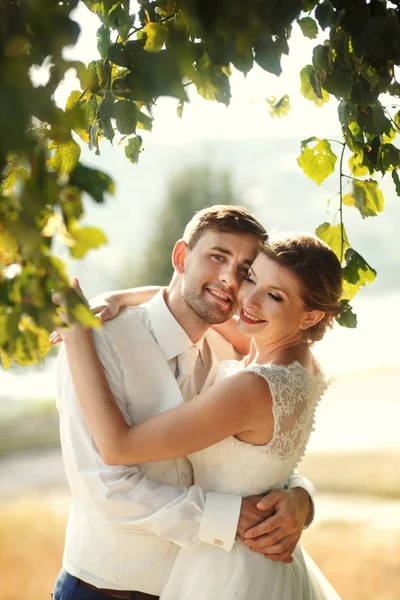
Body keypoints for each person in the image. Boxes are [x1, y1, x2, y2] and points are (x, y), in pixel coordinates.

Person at [53, 206, 317, 600]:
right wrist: (229, 518)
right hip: (105, 589)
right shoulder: (95, 343)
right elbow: (105, 488)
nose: (230, 278)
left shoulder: (233, 352)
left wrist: (301, 498)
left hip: (196, 586)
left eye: (245, 270)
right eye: (217, 256)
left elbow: (258, 452)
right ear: (180, 257)